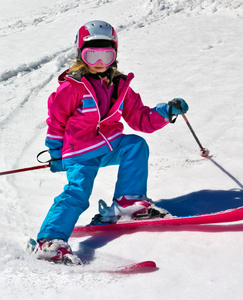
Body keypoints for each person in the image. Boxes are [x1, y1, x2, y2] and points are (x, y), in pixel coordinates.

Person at [33, 20, 189, 265]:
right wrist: (56, 154)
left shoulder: (121, 87)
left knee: (135, 144)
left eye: (106, 55)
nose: (98, 62)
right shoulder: (71, 88)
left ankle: (128, 202)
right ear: (81, 55)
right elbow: (56, 122)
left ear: (114, 55)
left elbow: (141, 119)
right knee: (78, 192)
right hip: (80, 152)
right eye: (91, 54)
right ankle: (50, 241)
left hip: (109, 146)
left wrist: (165, 112)